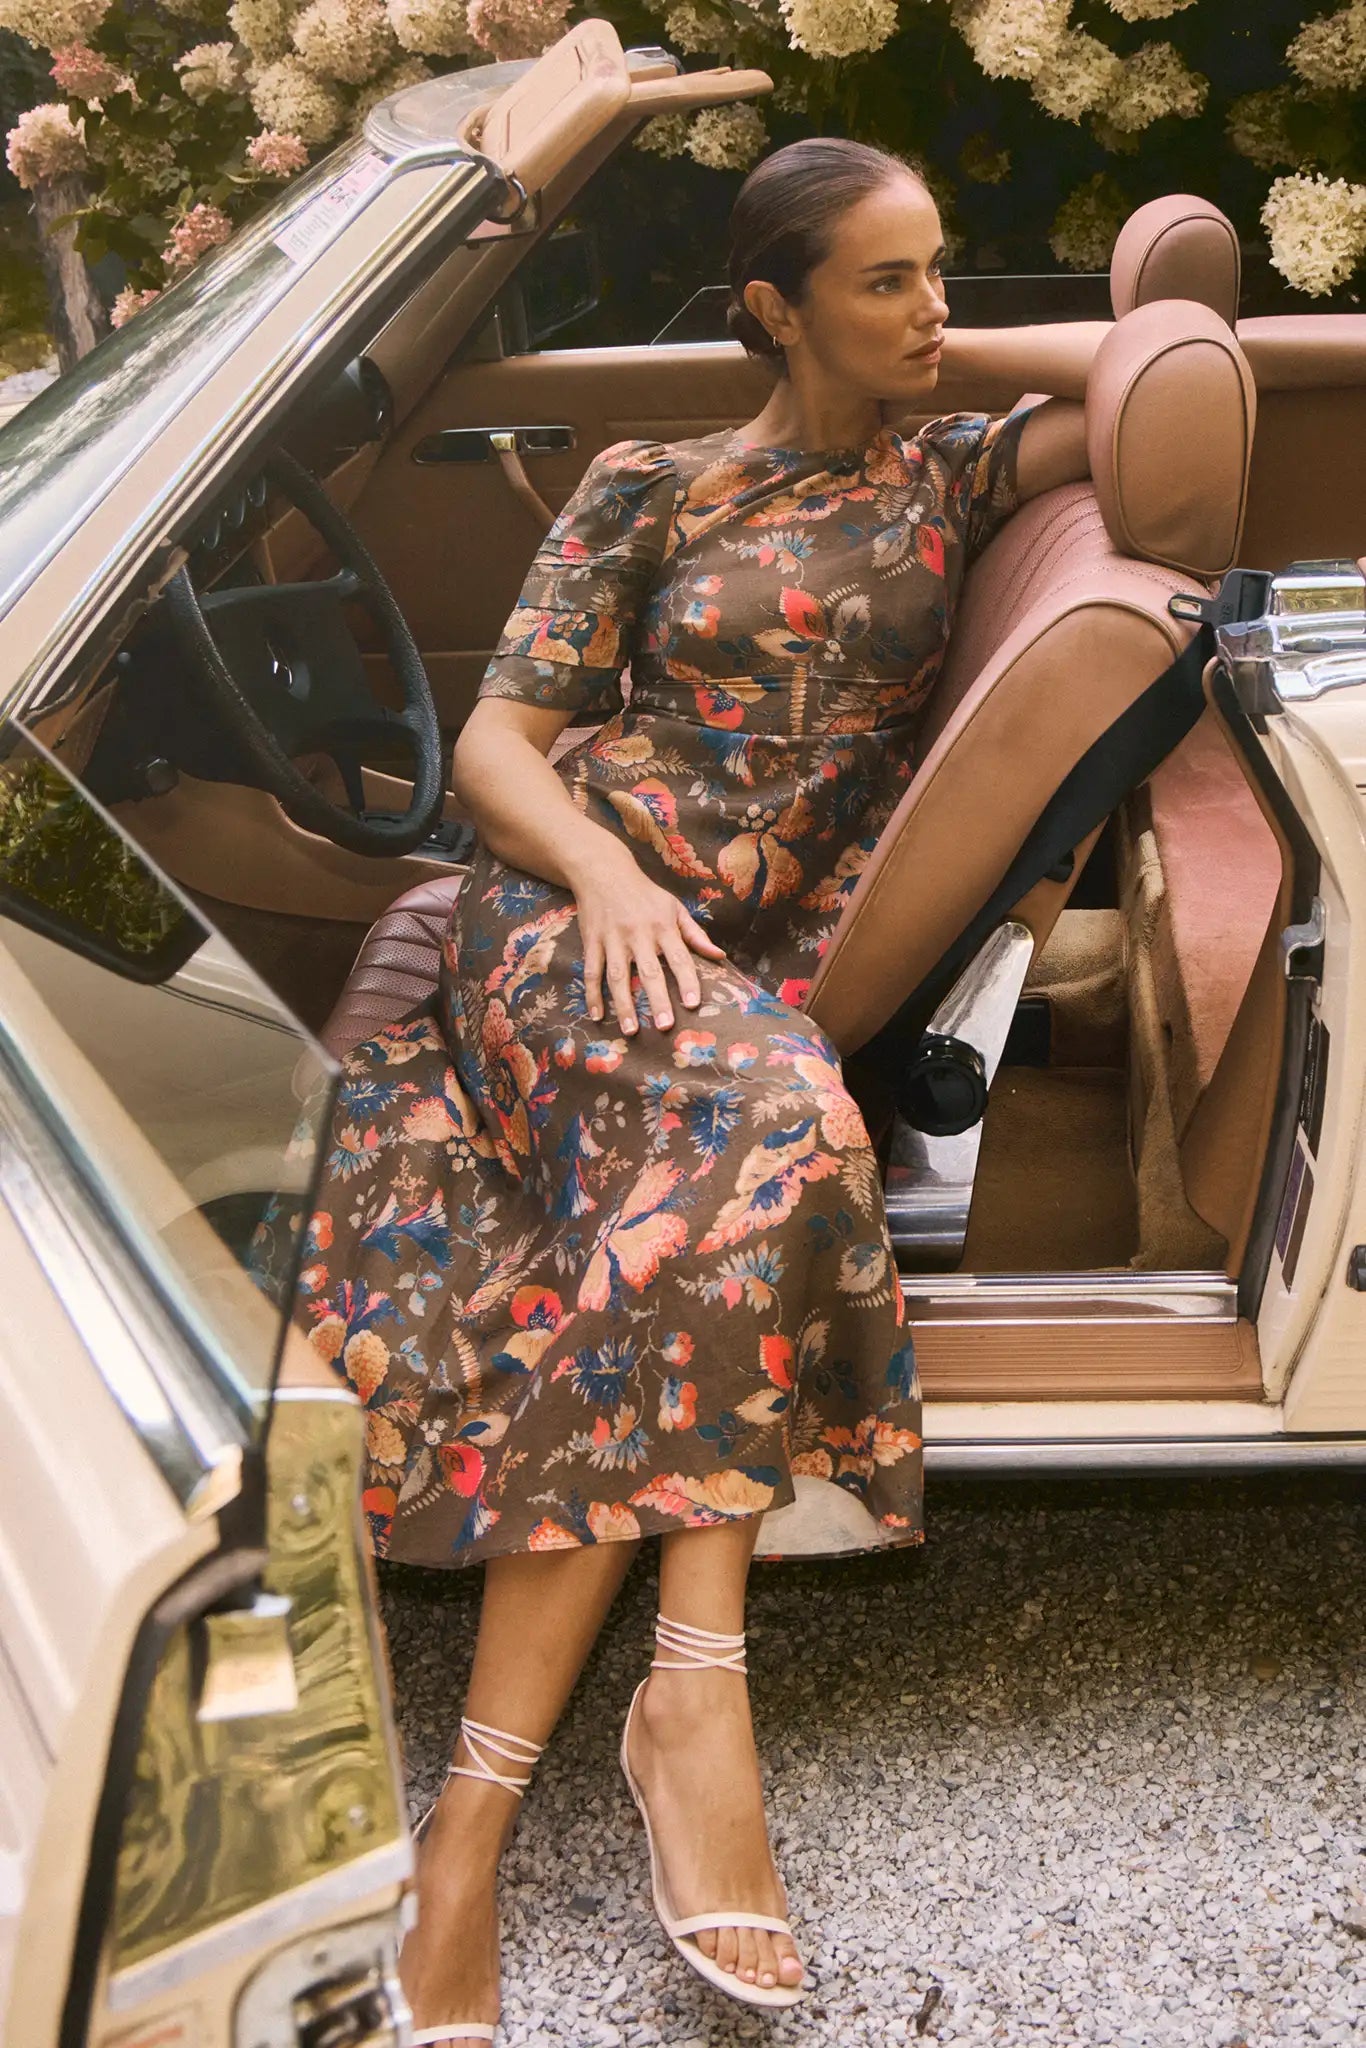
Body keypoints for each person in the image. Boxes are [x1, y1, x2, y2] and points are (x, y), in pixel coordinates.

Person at [296, 136, 1098, 2044]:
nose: (931, 313)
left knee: (745, 1148)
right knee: (781, 1128)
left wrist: (980, 355)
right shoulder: (649, 481)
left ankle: (486, 1824)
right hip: (569, 923)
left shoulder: (957, 466)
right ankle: (681, 1702)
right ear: (771, 302)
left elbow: (1164, 380)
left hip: (742, 972)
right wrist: (600, 875)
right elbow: (502, 736)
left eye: (939, 275)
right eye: (885, 281)